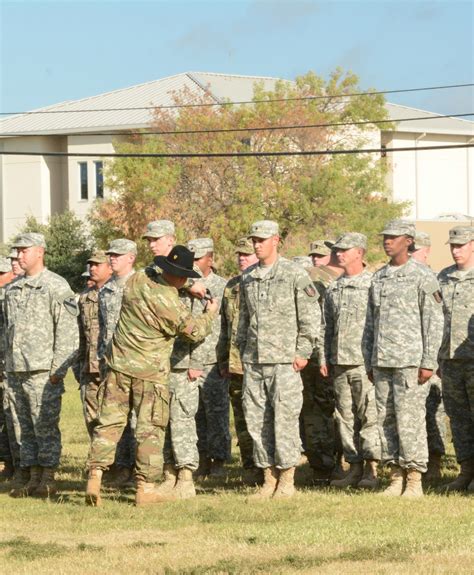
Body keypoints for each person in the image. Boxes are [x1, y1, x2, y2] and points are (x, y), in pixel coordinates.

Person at [85, 245, 219, 506]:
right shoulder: (170, 303)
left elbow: (155, 272)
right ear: (181, 276)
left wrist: (184, 285)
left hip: (118, 366)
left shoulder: (137, 280)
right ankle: (145, 488)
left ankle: (95, 476)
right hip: (150, 373)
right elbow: (193, 331)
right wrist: (209, 313)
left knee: (109, 423)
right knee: (150, 430)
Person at [237, 220, 320, 498]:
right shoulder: (248, 277)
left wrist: (303, 352)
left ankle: (286, 478)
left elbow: (310, 317)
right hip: (255, 361)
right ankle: (268, 477)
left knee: (284, 418)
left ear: (275, 241)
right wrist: (243, 351)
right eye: (254, 240)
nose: (257, 244)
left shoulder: (294, 274)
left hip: (285, 361)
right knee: (257, 419)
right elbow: (243, 320)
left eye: (262, 239)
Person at [363, 219, 443, 498]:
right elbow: (370, 323)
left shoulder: (422, 276)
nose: (387, 241)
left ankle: (414, 479)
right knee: (386, 419)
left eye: (393, 237)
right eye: (385, 237)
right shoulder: (379, 277)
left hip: (411, 362)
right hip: (382, 360)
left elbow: (433, 321)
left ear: (408, 241)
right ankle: (395, 475)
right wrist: (369, 359)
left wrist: (428, 361)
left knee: (410, 421)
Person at [5, 233, 79, 498]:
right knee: (21, 426)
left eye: (24, 250)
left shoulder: (55, 285)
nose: (19, 255)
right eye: (17, 251)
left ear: (39, 252)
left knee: (44, 425)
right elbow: (6, 331)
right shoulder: (12, 288)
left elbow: (69, 331)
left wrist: (58, 370)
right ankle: (31, 475)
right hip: (15, 369)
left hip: (42, 370)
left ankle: (48, 476)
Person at [319, 233, 380, 489]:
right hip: (339, 362)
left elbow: (379, 325)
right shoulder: (334, 286)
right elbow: (325, 326)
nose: (338, 254)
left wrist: (376, 360)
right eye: (337, 250)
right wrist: (324, 356)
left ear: (359, 253)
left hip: (363, 363)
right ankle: (353, 468)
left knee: (369, 416)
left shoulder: (373, 284)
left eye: (344, 250)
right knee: (344, 417)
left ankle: (372, 470)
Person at [217, 237, 260, 485]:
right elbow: (226, 327)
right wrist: (223, 358)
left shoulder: (259, 283)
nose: (242, 258)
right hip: (235, 364)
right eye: (239, 255)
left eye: (247, 254)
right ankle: (249, 467)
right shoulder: (231, 286)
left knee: (260, 416)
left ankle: (267, 466)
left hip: (257, 361)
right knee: (242, 419)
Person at [301, 239, 344, 485]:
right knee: (319, 411)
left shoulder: (345, 281)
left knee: (336, 412)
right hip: (317, 355)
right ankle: (324, 466)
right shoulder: (312, 277)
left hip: (335, 354)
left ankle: (339, 463)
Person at [188, 238, 229, 477]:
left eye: (198, 258)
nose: (193, 263)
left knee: (217, 415)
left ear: (210, 259)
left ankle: (219, 462)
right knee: (194, 415)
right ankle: (200, 459)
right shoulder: (184, 285)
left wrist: (225, 360)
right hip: (188, 360)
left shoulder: (223, 286)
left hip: (213, 361)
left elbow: (229, 325)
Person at [98, 238, 138, 486]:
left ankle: (139, 470)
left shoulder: (140, 284)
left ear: (131, 258)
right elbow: (103, 329)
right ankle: (122, 467)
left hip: (135, 361)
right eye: (110, 255)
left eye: (117, 255)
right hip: (111, 363)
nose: (112, 259)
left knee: (138, 419)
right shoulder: (107, 288)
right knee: (116, 418)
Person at [437, 225, 474, 492]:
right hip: (449, 361)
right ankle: (466, 472)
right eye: (452, 245)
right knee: (458, 419)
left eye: (461, 245)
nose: (456, 250)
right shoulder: (444, 277)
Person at [412, 231, 447, 481]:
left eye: (416, 251)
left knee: (435, 411)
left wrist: (435, 358)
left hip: (437, 357)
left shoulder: (436, 279)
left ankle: (435, 461)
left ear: (425, 252)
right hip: (411, 357)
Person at [77, 250, 112, 438]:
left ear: (109, 268)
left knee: (113, 416)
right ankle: (97, 462)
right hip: (90, 367)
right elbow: (81, 335)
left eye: (97, 264)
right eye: (91, 264)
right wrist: (79, 366)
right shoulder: (85, 297)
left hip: (112, 366)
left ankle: (119, 464)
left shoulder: (118, 292)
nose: (92, 268)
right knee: (91, 416)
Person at [0, 256, 18, 479]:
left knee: (12, 417)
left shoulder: (14, 296)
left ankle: (17, 463)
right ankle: (6, 461)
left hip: (13, 366)